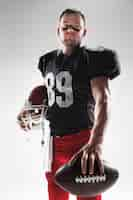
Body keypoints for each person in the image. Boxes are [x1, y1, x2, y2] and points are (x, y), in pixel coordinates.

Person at [17, 8, 120, 200]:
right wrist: (27, 109)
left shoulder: (92, 58)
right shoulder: (47, 61)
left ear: (84, 32)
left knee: (89, 196)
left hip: (83, 142)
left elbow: (103, 99)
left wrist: (96, 142)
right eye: (65, 27)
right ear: (58, 29)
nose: (70, 31)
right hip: (53, 143)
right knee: (55, 195)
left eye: (76, 28)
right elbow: (49, 91)